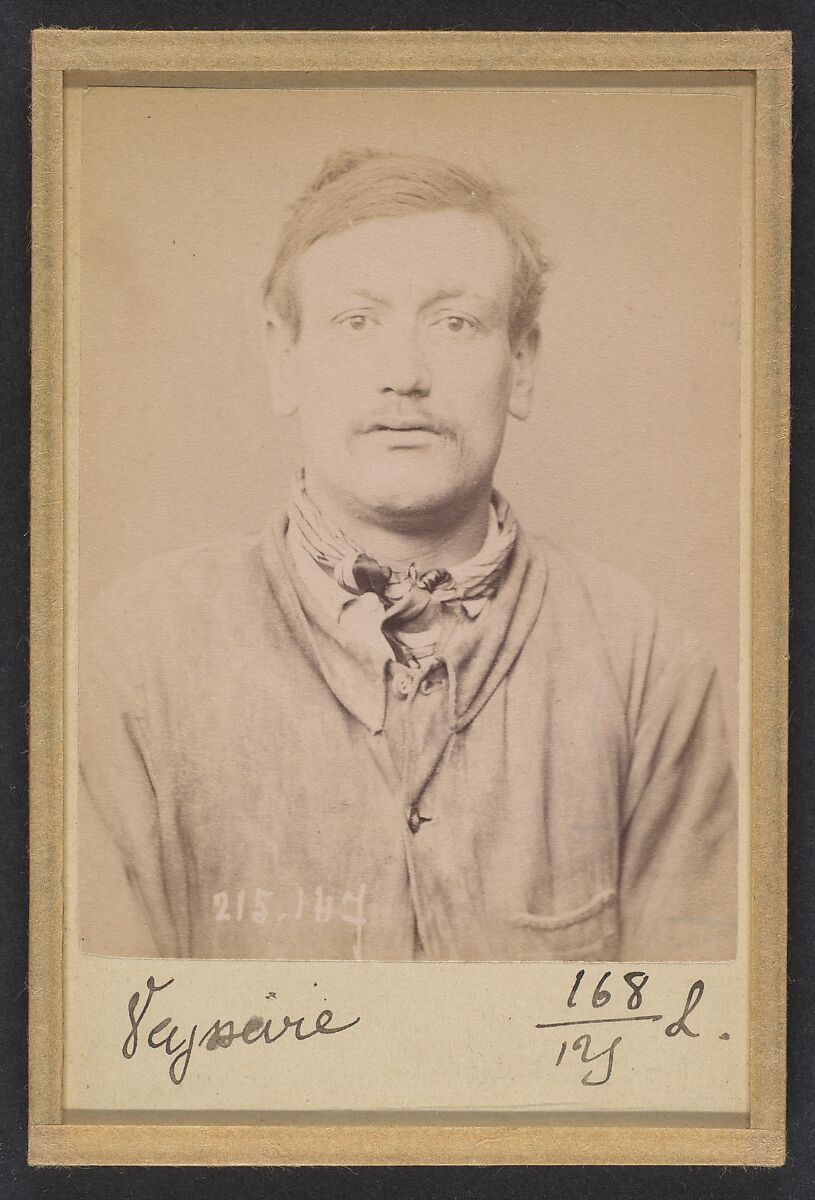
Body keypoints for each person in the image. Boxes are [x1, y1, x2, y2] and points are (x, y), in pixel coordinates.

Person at [79, 149, 737, 962]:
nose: (404, 375)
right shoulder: (137, 655)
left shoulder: (647, 665)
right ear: (285, 359)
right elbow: (107, 1054)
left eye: (454, 323)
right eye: (358, 323)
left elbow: (689, 1055)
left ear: (521, 365)